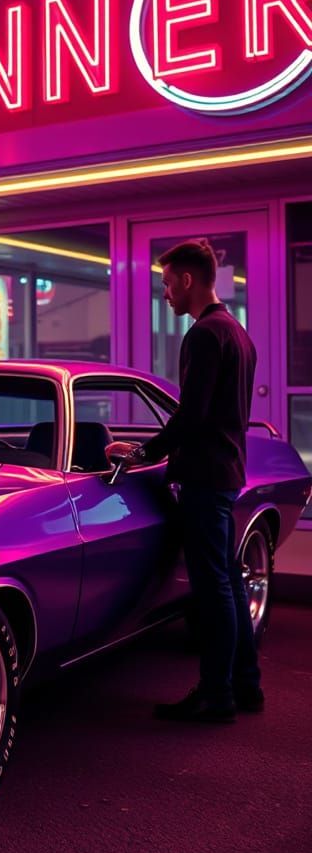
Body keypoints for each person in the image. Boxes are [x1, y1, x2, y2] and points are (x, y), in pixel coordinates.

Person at [106, 238, 262, 723]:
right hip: (227, 471)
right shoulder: (238, 333)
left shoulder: (203, 336)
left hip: (204, 476)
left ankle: (217, 695)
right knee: (228, 581)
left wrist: (141, 453)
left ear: (188, 280)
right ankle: (245, 683)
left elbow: (191, 416)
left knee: (213, 585)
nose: (165, 293)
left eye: (167, 283)